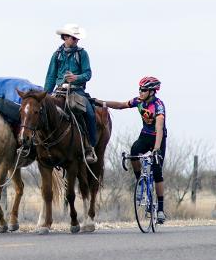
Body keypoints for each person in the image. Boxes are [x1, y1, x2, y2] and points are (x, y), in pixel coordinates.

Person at [94, 76, 167, 223]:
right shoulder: (138, 101)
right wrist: (100, 102)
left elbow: (159, 127)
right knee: (134, 152)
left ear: (152, 91)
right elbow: (121, 105)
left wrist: (157, 149)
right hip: (145, 136)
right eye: (139, 89)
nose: (140, 92)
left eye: (144, 90)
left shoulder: (158, 105)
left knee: (157, 171)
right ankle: (140, 181)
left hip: (158, 138)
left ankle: (160, 210)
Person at [43, 23, 97, 163]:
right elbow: (51, 76)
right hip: (59, 89)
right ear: (65, 37)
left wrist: (76, 78)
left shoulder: (82, 54)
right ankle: (38, 145)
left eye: (77, 38)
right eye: (73, 38)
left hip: (77, 90)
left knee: (90, 113)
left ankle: (89, 147)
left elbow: (88, 73)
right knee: (42, 112)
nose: (76, 40)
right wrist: (45, 95)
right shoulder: (57, 55)